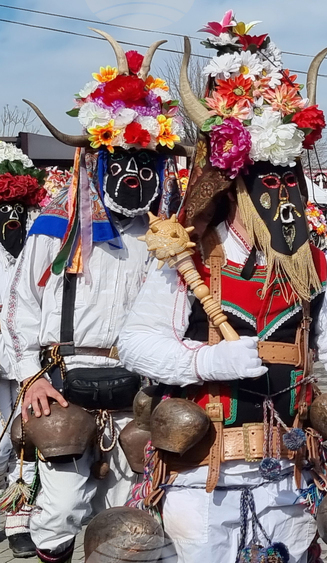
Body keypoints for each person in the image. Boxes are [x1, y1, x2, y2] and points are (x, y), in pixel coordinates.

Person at [116, 16, 327, 562]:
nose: (283, 196)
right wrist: (209, 362)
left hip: (291, 473)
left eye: (289, 179)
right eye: (266, 180)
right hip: (197, 477)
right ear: (235, 187)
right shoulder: (187, 259)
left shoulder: (313, 265)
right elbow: (135, 342)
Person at [6, 32, 185, 563]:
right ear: (98, 164)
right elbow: (17, 308)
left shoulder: (167, 237)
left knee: (129, 512)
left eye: (145, 163)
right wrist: (29, 374)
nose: (134, 173)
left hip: (139, 391)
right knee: (61, 507)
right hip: (63, 383)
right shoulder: (54, 227)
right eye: (121, 161)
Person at [0, 142, 49, 557]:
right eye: (3, 212)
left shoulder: (34, 246)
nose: (11, 220)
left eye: (17, 212)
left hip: (22, 356)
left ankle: (21, 517)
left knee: (25, 436)